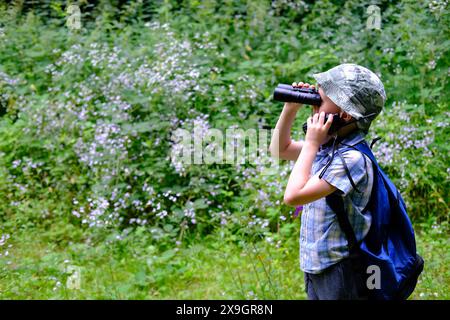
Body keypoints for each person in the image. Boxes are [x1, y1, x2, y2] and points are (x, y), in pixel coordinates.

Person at [269, 63, 386, 300]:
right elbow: (279, 150)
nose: (315, 104)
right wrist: (290, 108)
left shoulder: (352, 159)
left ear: (344, 114)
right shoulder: (330, 146)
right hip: (317, 262)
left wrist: (311, 143)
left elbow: (293, 196)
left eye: (320, 101)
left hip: (341, 266)